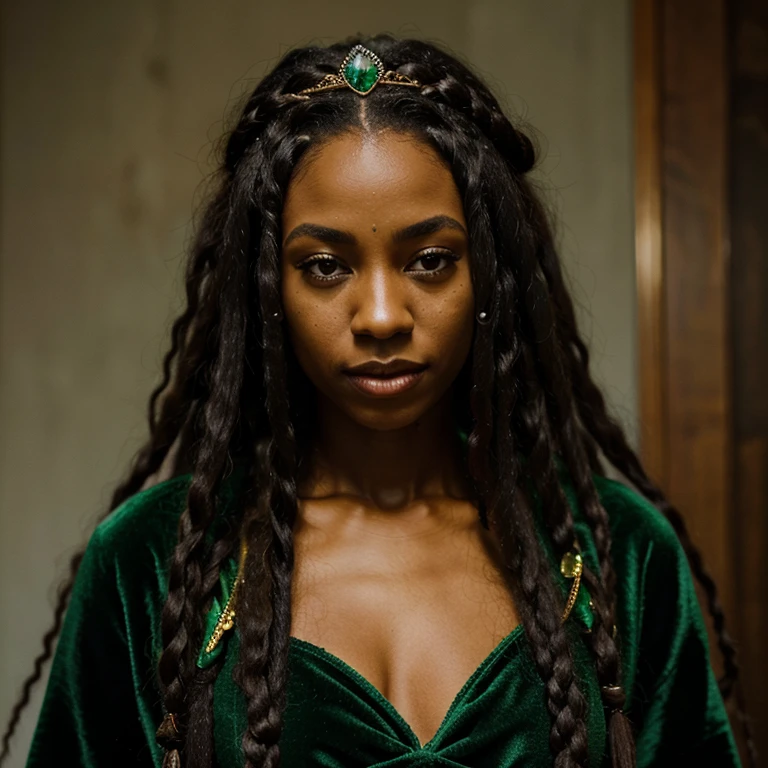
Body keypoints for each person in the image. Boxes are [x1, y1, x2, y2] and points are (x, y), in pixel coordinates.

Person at [0, 33, 749, 768]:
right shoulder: (149, 567)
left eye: (430, 261)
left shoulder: (618, 555)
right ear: (269, 289)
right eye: (325, 266)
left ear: (487, 274)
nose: (383, 316)